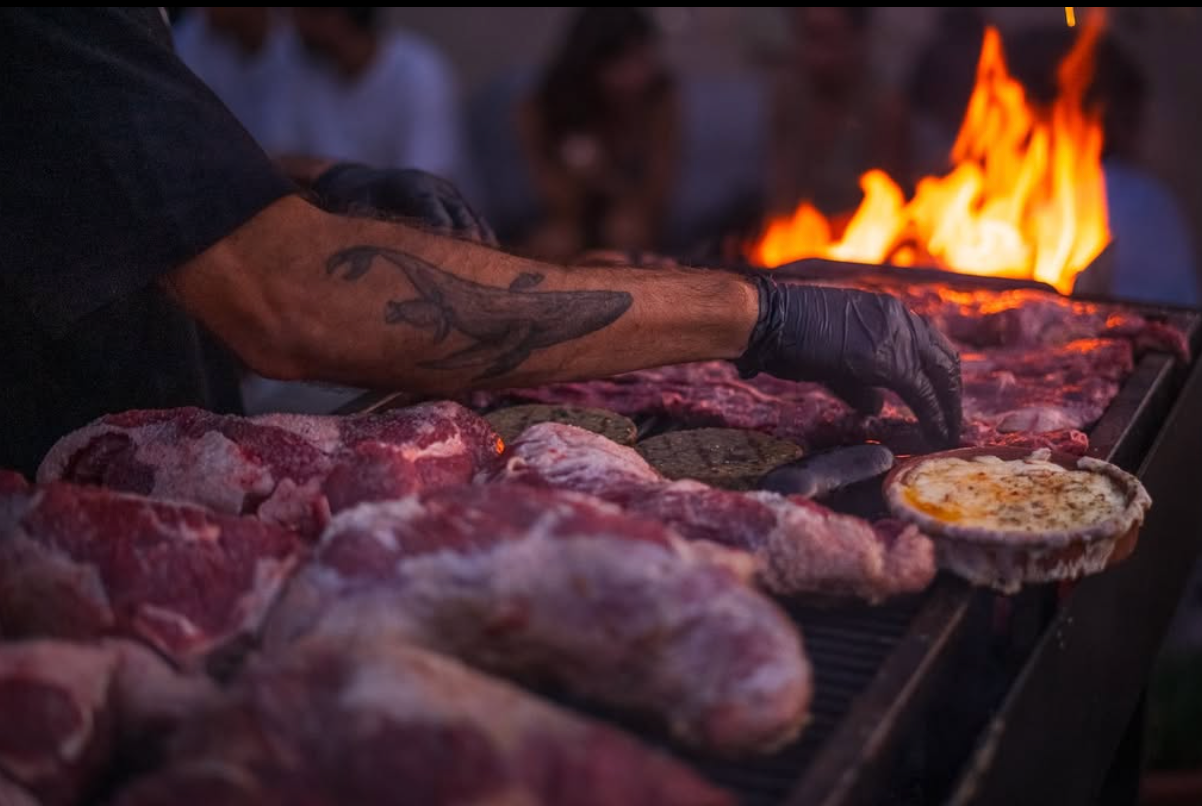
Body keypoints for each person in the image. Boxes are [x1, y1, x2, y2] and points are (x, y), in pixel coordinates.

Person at [0, 7, 961, 480]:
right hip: (58, 520)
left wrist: (309, 181)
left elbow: (97, 166)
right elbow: (287, 305)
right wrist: (753, 310)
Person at [518, 7, 678, 260]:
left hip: (635, 217)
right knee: (555, 241)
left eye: (643, 60)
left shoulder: (658, 101)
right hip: (569, 216)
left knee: (625, 230)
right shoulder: (545, 107)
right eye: (621, 64)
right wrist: (579, 173)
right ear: (590, 63)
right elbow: (554, 199)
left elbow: (658, 194)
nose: (636, 76)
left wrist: (603, 176)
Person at [276, 7, 463, 182]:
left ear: (337, 17)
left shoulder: (419, 73)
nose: (293, 24)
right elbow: (279, 162)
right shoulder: (300, 69)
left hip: (404, 215)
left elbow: (425, 185)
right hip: (327, 212)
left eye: (303, 13)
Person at [766, 7, 910, 216]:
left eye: (828, 39)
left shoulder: (883, 109)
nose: (817, 55)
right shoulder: (791, 99)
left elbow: (887, 203)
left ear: (856, 40)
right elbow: (781, 192)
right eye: (809, 37)